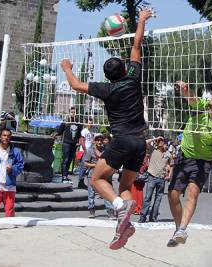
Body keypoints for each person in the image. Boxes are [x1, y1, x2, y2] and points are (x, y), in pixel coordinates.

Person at [60, 9, 153, 250]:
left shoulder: (106, 89)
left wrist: (67, 67)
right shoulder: (133, 77)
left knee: (96, 179)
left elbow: (75, 84)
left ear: (107, 76)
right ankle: (126, 224)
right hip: (141, 142)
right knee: (124, 187)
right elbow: (136, 44)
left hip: (122, 141)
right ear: (124, 69)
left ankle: (119, 207)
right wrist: (141, 20)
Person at [167, 81, 212, 247]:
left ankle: (182, 229)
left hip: (203, 163)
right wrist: (185, 89)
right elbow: (191, 99)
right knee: (173, 195)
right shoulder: (202, 108)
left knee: (193, 193)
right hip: (185, 157)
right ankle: (178, 228)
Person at [139, 136, 173, 223]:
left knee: (158, 199)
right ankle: (143, 217)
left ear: (165, 143)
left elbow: (171, 165)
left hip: (162, 179)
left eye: (161, 141)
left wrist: (169, 175)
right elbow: (145, 142)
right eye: (159, 141)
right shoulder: (153, 150)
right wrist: (155, 138)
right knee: (147, 198)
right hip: (152, 177)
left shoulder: (168, 154)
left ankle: (153, 217)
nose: (160, 142)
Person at [83, 133, 115, 219]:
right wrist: (95, 165)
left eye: (101, 140)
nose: (99, 142)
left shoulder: (106, 150)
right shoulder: (90, 150)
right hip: (92, 173)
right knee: (91, 193)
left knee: (105, 192)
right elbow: (85, 163)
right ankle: (91, 209)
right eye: (97, 140)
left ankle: (110, 211)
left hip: (103, 174)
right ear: (94, 141)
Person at [53, 106, 82, 184]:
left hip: (74, 144)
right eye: (72, 112)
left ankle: (66, 176)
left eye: (75, 112)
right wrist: (54, 135)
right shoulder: (65, 122)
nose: (73, 113)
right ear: (69, 113)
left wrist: (79, 143)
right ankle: (64, 177)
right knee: (65, 160)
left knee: (70, 160)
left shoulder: (79, 123)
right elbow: (59, 131)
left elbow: (79, 134)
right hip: (66, 143)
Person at [77, 117, 94, 188]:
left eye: (92, 123)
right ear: (87, 123)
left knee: (86, 167)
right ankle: (80, 183)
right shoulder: (84, 131)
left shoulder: (91, 131)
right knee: (83, 167)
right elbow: (82, 141)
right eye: (90, 123)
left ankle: (82, 182)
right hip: (85, 151)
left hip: (89, 151)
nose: (91, 124)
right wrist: (85, 150)